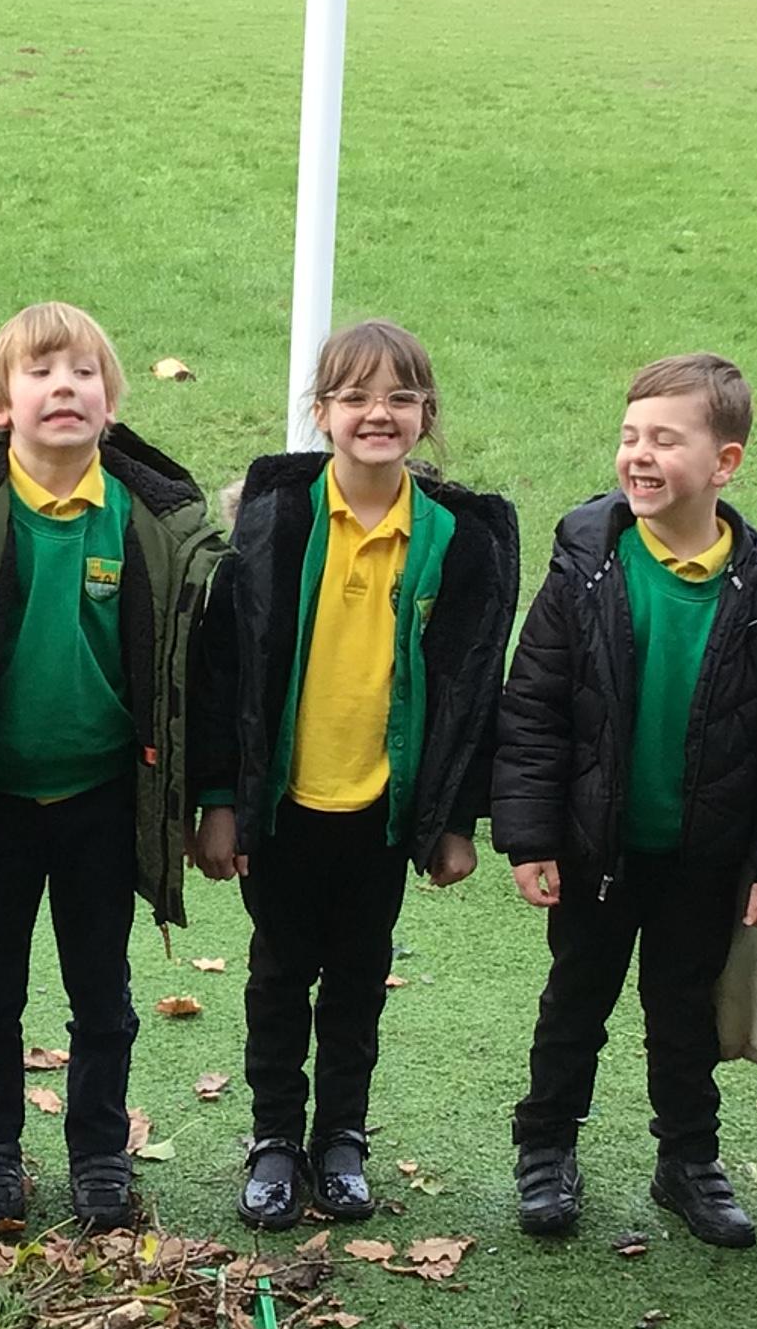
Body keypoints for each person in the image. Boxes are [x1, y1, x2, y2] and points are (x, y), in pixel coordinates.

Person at [0, 305, 225, 1232]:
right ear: (2, 405)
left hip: (105, 796)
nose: (64, 387)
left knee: (101, 989)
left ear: (112, 403)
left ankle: (99, 1151)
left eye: (83, 373)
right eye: (39, 373)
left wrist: (198, 797)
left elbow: (192, 675)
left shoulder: (154, 521)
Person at [494, 354, 757, 1248]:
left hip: (702, 858)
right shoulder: (585, 574)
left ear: (725, 463)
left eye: (665, 441)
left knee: (684, 1013)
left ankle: (688, 1160)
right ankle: (546, 1148)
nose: (639, 455)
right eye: (630, 436)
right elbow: (533, 710)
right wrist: (530, 837)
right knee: (576, 1003)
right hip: (594, 850)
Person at [193, 321, 520, 1231]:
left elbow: (472, 691)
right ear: (322, 411)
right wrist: (219, 800)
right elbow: (224, 671)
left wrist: (454, 821)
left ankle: (340, 1139)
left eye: (400, 397)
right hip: (285, 807)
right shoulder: (276, 524)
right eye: (356, 397)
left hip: (382, 811)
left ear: (426, 413)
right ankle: (273, 1139)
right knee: (277, 975)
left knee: (357, 980)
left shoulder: (456, 541)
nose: (379, 413)